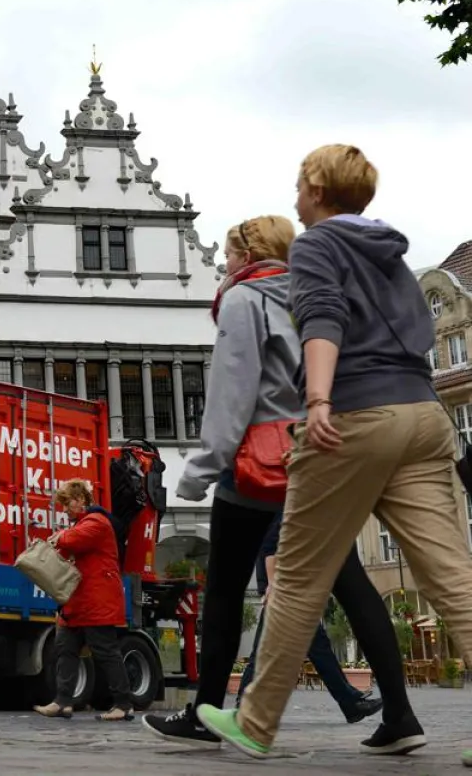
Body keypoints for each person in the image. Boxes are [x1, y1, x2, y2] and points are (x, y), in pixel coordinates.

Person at [195, 145, 472, 764]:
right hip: (424, 416)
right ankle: (386, 717)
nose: (295, 196)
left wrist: (317, 398)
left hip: (355, 414)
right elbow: (418, 335)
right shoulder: (392, 255)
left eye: (300, 185)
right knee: (453, 576)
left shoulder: (318, 245)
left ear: (319, 191)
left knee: (294, 575)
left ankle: (256, 723)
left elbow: (321, 318)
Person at [143, 214, 413, 750]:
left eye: (227, 254)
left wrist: (197, 473)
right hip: (323, 456)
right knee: (351, 584)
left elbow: (231, 396)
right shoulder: (321, 297)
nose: (224, 264)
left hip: (255, 466)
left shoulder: (244, 301)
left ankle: (204, 712)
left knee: (222, 591)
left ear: (247, 254)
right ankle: (401, 716)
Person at [236, 513, 381, 722]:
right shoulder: (281, 506)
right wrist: (273, 585)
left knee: (315, 648)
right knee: (264, 651)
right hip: (285, 591)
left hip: (290, 589)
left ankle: (351, 703)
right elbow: (270, 547)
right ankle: (242, 708)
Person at [33, 479, 134, 721]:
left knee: (106, 651)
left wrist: (60, 536)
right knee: (65, 649)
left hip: (97, 601)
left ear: (80, 500)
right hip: (79, 602)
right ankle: (62, 702)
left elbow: (71, 541)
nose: (65, 509)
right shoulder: (82, 524)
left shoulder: (96, 522)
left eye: (67, 503)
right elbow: (65, 548)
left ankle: (123, 704)